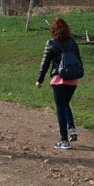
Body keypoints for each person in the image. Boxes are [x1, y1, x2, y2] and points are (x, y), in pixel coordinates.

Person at [36, 17, 83, 150]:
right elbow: (78, 61)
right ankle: (72, 127)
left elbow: (44, 64)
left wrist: (39, 80)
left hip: (58, 80)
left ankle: (64, 140)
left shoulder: (51, 43)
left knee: (61, 109)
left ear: (53, 30)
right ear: (67, 29)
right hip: (73, 80)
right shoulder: (72, 42)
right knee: (65, 104)